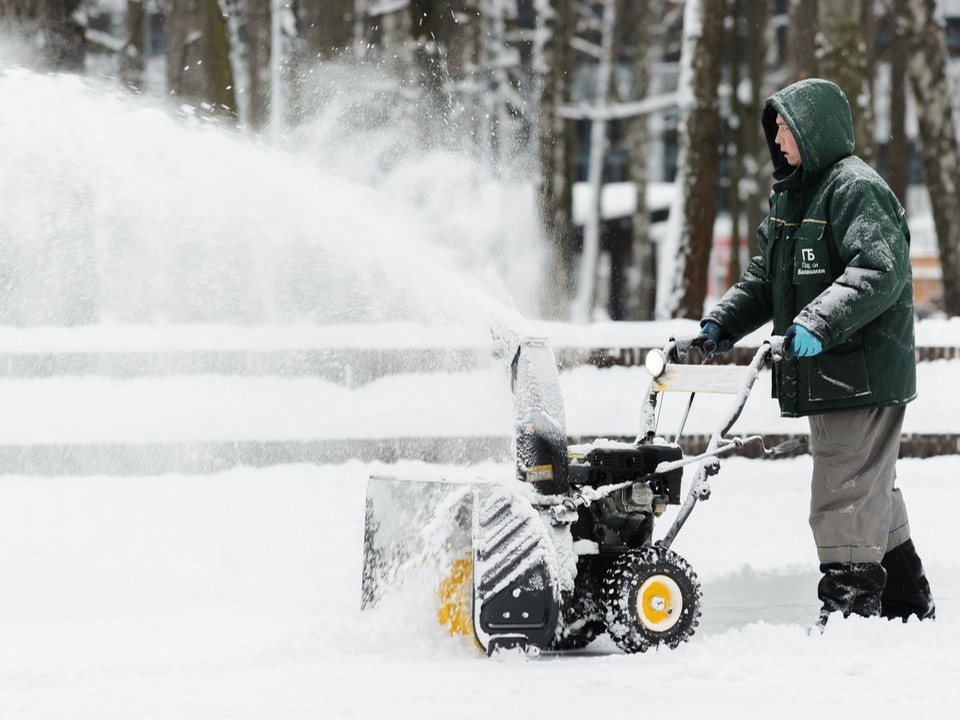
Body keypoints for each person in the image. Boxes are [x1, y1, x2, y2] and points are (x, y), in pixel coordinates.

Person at [699, 78, 935, 625]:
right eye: (775, 128)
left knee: (843, 487)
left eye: (784, 126)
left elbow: (879, 270)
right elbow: (765, 279)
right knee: (869, 484)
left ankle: (851, 613)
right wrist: (719, 326)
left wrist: (816, 324)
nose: (777, 138)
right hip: (835, 371)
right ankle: (904, 605)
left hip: (862, 368)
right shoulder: (795, 195)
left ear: (814, 128)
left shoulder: (855, 188)